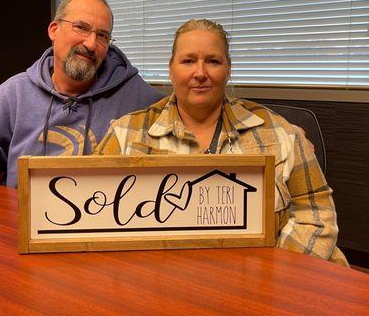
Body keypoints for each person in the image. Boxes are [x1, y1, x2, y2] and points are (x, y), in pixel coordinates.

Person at [94, 19, 348, 265]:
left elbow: (316, 212)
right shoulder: (126, 134)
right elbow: (94, 221)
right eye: (188, 61)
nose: (200, 73)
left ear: (228, 70)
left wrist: (276, 273)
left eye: (213, 61)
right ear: (171, 69)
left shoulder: (280, 132)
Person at [0, 0, 164, 217]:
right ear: (54, 29)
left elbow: (185, 127)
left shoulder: (136, 96)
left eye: (102, 36)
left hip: (103, 229)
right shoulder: (16, 92)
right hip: (24, 226)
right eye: (81, 27)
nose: (91, 44)